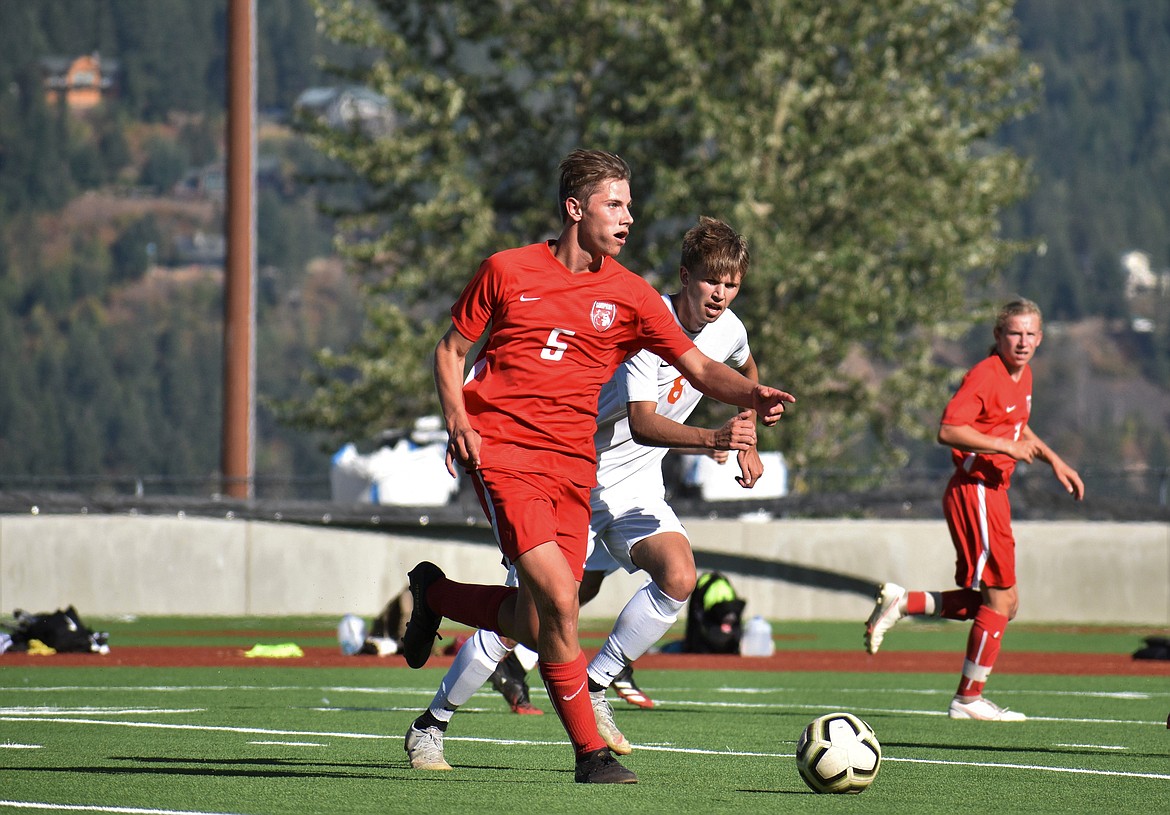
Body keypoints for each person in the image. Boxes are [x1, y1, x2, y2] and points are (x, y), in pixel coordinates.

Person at [404, 150, 795, 784]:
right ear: (574, 208)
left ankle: (436, 596)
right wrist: (457, 419)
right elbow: (451, 350)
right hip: (503, 453)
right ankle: (587, 752)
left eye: (630, 206)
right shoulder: (506, 271)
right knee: (560, 599)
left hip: (572, 464)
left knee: (538, 621)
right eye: (615, 204)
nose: (628, 217)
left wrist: (754, 399)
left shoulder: (629, 294)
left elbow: (702, 368)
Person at [864, 298, 1084, 721]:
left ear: (1040, 338)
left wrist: (1054, 460)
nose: (1022, 342)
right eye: (1014, 333)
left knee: (1005, 602)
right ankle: (967, 699)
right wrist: (1007, 447)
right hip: (975, 491)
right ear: (998, 336)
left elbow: (1017, 425)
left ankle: (904, 604)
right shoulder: (986, 375)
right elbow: (948, 428)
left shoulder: (1023, 375)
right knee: (1000, 601)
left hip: (993, 494)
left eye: (1030, 334)